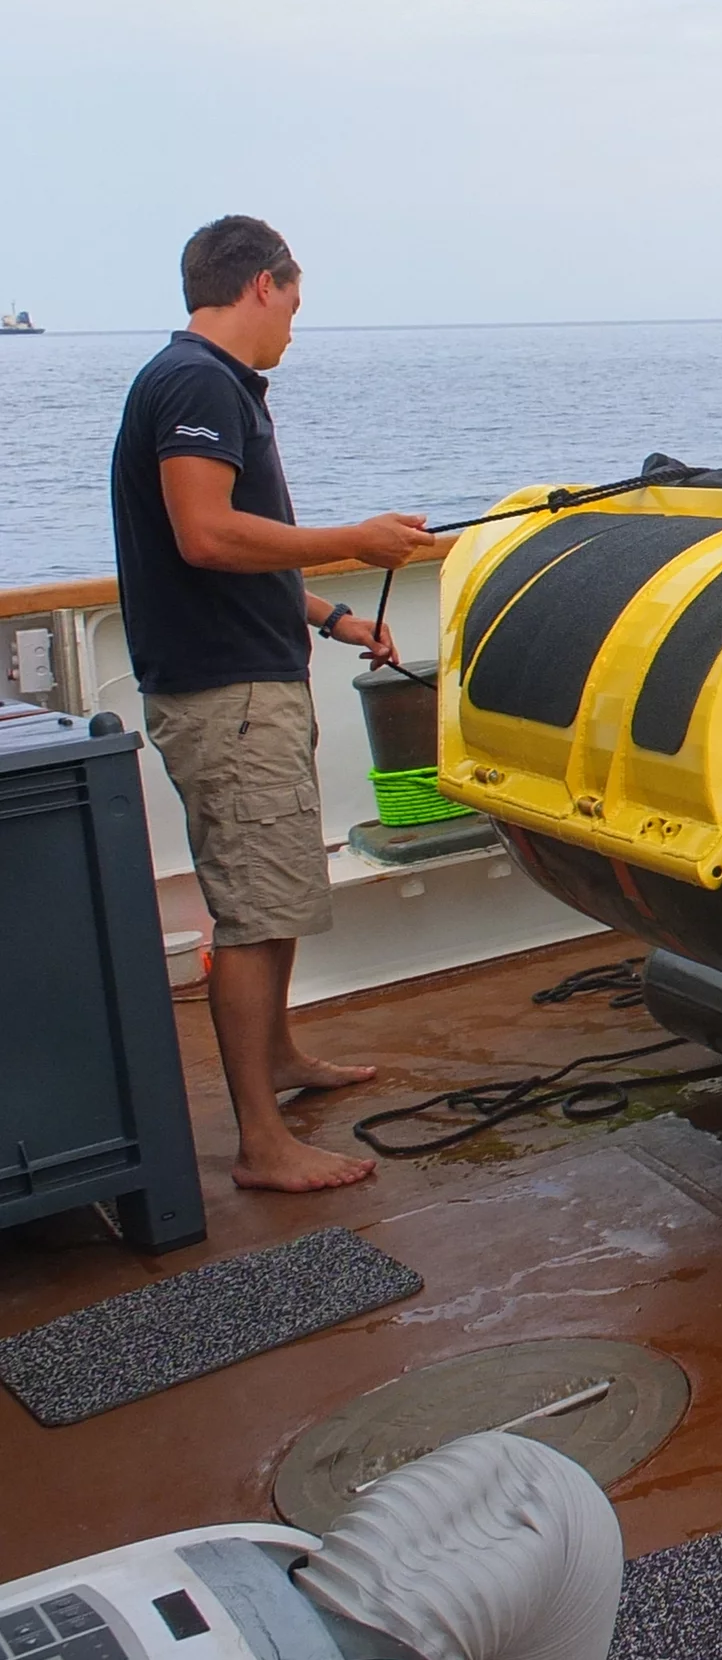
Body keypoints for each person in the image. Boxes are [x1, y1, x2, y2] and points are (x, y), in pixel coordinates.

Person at [111, 216, 442, 1192]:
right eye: (294, 305)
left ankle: (283, 1061)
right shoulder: (197, 384)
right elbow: (206, 535)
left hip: (247, 680)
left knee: (275, 888)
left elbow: (229, 556)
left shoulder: (208, 387)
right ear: (261, 285)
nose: (295, 327)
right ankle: (262, 1143)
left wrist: (332, 614)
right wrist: (356, 540)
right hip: (227, 697)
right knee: (253, 911)